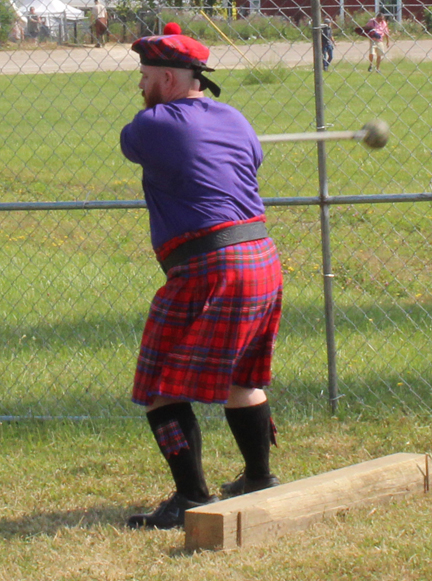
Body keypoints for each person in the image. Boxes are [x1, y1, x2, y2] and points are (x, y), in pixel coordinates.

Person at [120, 29, 283, 530]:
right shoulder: (234, 116)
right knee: (241, 379)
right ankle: (259, 477)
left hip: (208, 265)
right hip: (260, 256)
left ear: (168, 77)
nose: (140, 87)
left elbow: (132, 146)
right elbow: (250, 159)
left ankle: (190, 496)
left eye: (145, 77)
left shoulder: (150, 124)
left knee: (159, 385)